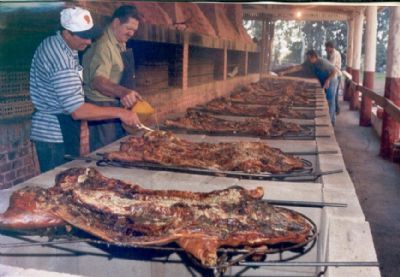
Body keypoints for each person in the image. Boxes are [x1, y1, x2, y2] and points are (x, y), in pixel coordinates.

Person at [29, 7, 141, 173]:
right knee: (58, 185)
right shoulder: (61, 60)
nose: (89, 42)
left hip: (63, 127)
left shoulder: (61, 45)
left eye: (90, 36)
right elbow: (77, 110)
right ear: (66, 33)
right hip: (54, 134)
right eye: (84, 36)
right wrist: (121, 113)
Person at [82, 5, 142, 151]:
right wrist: (122, 92)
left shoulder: (119, 41)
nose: (131, 33)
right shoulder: (103, 45)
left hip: (114, 103)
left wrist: (128, 93)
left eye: (134, 30)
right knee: (105, 151)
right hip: (101, 106)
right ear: (116, 23)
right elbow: (98, 81)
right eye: (129, 28)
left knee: (119, 148)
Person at [278, 50, 339, 125]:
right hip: (324, 80)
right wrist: (284, 72)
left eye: (309, 58)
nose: (308, 60)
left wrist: (328, 80)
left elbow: (334, 71)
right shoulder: (309, 62)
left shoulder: (322, 63)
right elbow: (297, 67)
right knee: (326, 99)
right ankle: (329, 119)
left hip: (331, 80)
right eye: (307, 58)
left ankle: (331, 122)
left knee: (330, 100)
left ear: (314, 57)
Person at [325, 41, 342, 115]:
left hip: (336, 75)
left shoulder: (334, 54)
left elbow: (330, 66)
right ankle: (335, 110)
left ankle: (336, 110)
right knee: (334, 94)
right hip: (334, 75)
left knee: (334, 95)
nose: (326, 49)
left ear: (330, 47)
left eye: (326, 47)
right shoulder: (330, 53)